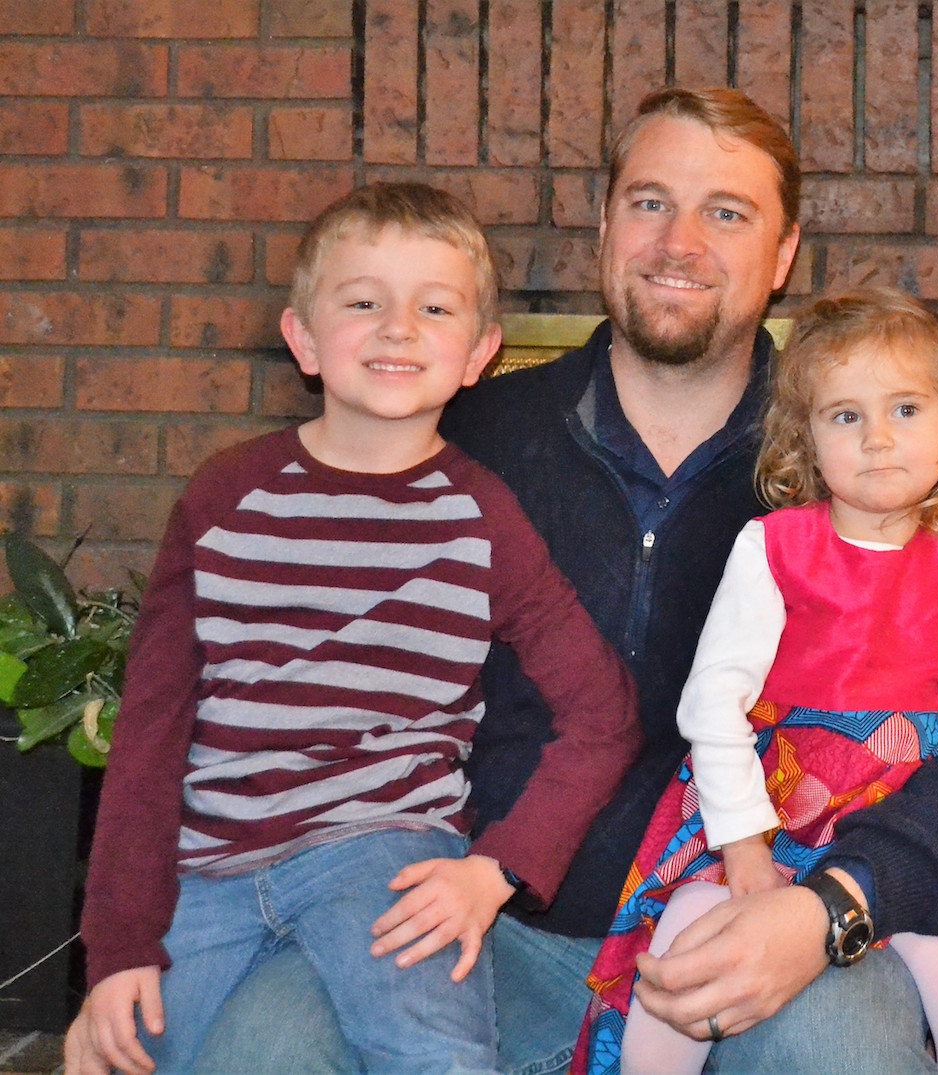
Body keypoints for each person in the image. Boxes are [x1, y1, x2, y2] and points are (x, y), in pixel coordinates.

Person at [193, 88, 938, 1075]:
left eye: (726, 213)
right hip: (476, 927)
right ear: (604, 227)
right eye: (650, 203)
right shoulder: (466, 440)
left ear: (783, 254)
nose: (679, 241)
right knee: (259, 1042)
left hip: (748, 917)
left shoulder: (863, 454)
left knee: (843, 1043)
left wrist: (832, 909)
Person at [62, 183, 642, 1075]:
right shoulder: (225, 497)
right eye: (364, 300)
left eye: (434, 306)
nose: (398, 327)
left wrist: (496, 870)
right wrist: (118, 946)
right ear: (303, 336)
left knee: (436, 1058)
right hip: (209, 875)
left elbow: (602, 712)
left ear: (479, 351)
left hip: (386, 859)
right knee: (118, 1053)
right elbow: (148, 733)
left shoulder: (482, 518)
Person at [584, 289, 938, 1075]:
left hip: (902, 830)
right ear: (807, 441)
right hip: (773, 799)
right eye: (846, 416)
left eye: (907, 410)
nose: (879, 438)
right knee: (680, 953)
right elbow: (711, 701)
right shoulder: (774, 546)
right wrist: (744, 846)